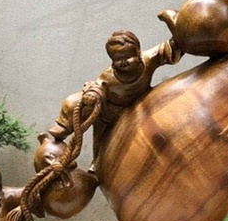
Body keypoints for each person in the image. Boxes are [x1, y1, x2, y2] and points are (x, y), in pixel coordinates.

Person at [34, 31, 181, 171]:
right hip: (109, 113)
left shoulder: (149, 58)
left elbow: (168, 49)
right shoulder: (108, 76)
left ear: (138, 52)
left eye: (128, 57)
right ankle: (65, 129)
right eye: (117, 59)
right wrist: (92, 94)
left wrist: (182, 37)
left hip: (142, 102)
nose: (123, 62)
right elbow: (96, 87)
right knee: (96, 137)